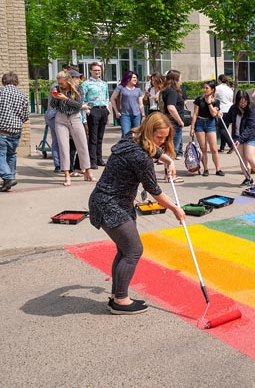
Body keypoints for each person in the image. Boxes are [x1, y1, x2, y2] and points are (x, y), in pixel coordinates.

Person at [88, 112, 185, 314]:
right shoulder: (141, 158)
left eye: (165, 138)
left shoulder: (130, 138)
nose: (162, 141)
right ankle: (121, 300)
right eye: (159, 137)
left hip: (114, 201)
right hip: (110, 204)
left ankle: (117, 296)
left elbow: (153, 150)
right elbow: (154, 191)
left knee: (125, 250)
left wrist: (169, 161)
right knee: (133, 250)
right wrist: (175, 208)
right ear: (149, 132)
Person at [52, 70, 94, 186]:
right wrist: (55, 97)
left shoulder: (78, 88)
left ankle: (87, 171)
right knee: (64, 147)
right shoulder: (56, 88)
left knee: (82, 144)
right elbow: (52, 105)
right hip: (61, 118)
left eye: (62, 83)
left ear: (68, 81)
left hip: (75, 117)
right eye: (59, 83)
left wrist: (65, 99)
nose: (60, 85)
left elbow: (79, 105)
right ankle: (67, 175)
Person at [221, 90, 255, 186]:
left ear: (247, 101)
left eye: (245, 102)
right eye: (240, 102)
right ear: (237, 101)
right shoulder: (233, 108)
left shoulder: (252, 109)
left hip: (250, 136)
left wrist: (240, 140)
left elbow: (250, 127)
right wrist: (221, 115)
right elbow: (227, 118)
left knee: (249, 157)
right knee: (242, 158)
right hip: (237, 136)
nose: (243, 104)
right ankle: (248, 178)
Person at [0, 72, 30, 192]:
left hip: (2, 129)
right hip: (16, 130)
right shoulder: (22, 95)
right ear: (16, 81)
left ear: (3, 81)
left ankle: (8, 177)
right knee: (11, 154)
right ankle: (10, 178)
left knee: (1, 155)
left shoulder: (1, 93)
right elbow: (26, 115)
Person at [189, 80, 224, 177]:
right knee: (203, 148)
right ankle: (205, 169)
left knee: (214, 148)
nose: (204, 90)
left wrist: (209, 103)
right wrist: (192, 128)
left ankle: (218, 169)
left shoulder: (216, 102)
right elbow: (195, 114)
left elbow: (214, 114)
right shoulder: (199, 100)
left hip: (210, 123)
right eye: (204, 88)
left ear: (212, 90)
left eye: (207, 88)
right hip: (199, 123)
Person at [81, 62, 110, 168]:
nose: (97, 72)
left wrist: (107, 108)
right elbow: (82, 98)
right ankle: (92, 160)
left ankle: (99, 158)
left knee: (100, 137)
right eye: (95, 70)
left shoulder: (103, 83)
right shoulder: (86, 84)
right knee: (93, 137)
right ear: (90, 71)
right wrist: (87, 110)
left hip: (103, 110)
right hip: (93, 110)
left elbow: (107, 96)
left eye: (99, 70)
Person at [159, 70, 186, 159]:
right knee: (172, 149)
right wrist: (180, 120)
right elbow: (171, 107)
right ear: (176, 79)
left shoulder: (166, 90)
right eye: (180, 78)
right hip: (174, 122)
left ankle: (167, 163)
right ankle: (168, 167)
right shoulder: (172, 91)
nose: (181, 80)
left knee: (169, 146)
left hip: (169, 120)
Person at [110, 71, 145, 137]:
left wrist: (143, 115)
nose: (135, 79)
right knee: (126, 133)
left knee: (136, 134)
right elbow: (112, 99)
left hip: (136, 115)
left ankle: (134, 147)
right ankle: (124, 146)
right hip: (125, 115)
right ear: (128, 78)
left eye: (136, 78)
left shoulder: (138, 89)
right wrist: (116, 111)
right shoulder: (121, 88)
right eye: (134, 77)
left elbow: (141, 103)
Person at [215, 75, 235, 153]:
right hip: (230, 109)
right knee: (225, 128)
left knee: (222, 129)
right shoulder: (230, 89)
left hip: (222, 110)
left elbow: (215, 98)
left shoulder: (218, 88)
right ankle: (222, 147)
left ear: (219, 80)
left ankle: (231, 144)